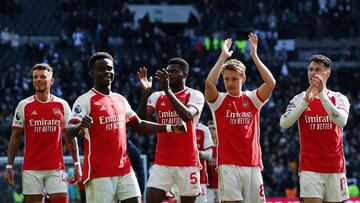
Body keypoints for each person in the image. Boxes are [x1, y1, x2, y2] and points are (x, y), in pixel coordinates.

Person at [66, 52, 186, 203]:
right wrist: (79, 125)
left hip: (124, 169)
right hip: (100, 173)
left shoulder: (120, 99)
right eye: (101, 69)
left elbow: (139, 124)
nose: (107, 72)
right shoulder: (84, 100)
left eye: (110, 68)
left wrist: (170, 127)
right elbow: (69, 131)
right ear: (92, 73)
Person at [204, 33, 276, 203]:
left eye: (234, 79)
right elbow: (209, 84)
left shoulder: (252, 99)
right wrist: (223, 56)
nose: (229, 83)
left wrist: (255, 57)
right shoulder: (219, 101)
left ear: (243, 79)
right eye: (226, 79)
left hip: (252, 164)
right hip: (228, 165)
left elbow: (271, 83)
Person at [5, 63, 82, 203]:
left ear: (51, 81)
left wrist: (77, 164)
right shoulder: (24, 105)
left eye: (42, 76)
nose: (38, 80)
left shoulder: (62, 105)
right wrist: (9, 166)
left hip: (56, 168)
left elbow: (70, 137)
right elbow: (15, 137)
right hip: (31, 169)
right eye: (35, 77)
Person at [279, 54, 350, 203]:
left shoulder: (339, 98)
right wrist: (305, 102)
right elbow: (284, 123)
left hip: (335, 167)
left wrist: (322, 95)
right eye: (310, 69)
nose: (313, 73)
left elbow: (341, 121)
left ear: (327, 73)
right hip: (309, 168)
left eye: (317, 69)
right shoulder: (299, 99)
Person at [137, 57, 205, 203]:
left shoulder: (195, 95)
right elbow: (140, 121)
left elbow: (187, 116)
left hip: (187, 161)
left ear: (185, 74)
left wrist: (167, 90)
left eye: (174, 72)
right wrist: (145, 93)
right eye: (168, 72)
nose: (170, 75)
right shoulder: (157, 96)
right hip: (162, 162)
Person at [195, 122, 214, 203]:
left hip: (200, 177)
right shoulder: (178, 127)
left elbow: (209, 154)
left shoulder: (203, 129)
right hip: (181, 176)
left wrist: (197, 153)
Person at [206, 120, 219, 203]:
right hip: (209, 187)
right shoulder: (205, 149)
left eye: (213, 128)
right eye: (209, 129)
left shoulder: (222, 148)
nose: (211, 130)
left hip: (222, 186)